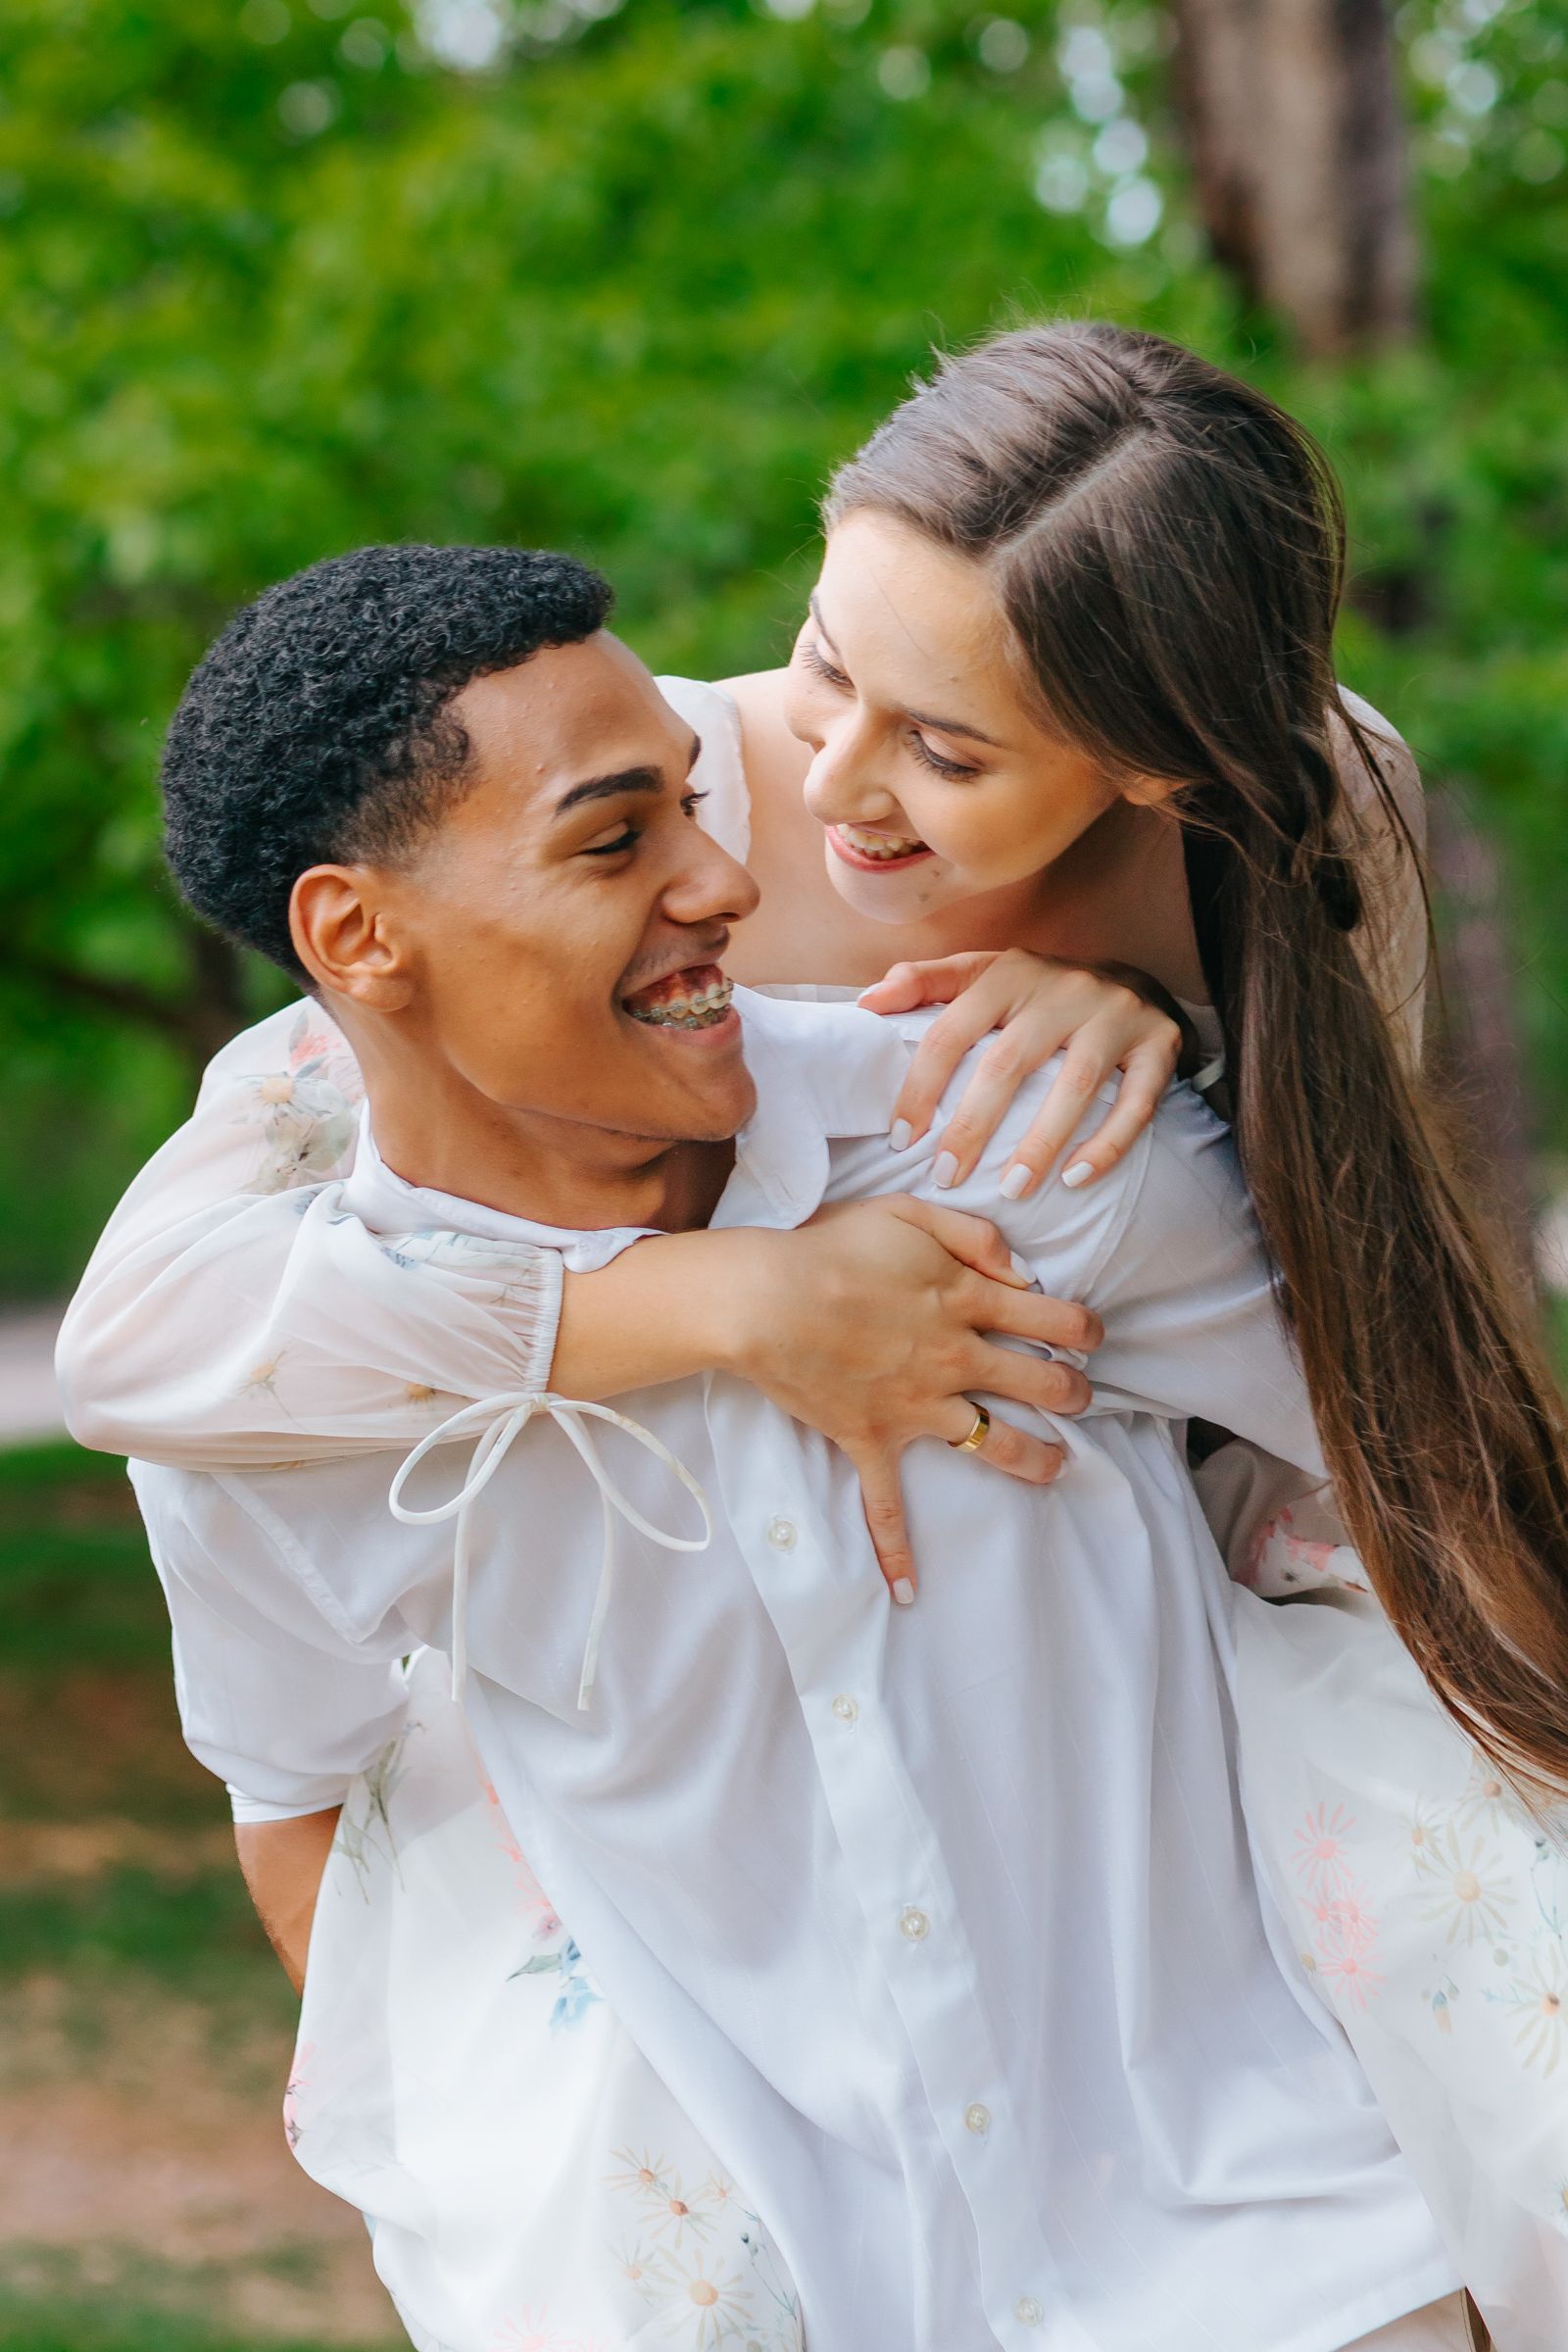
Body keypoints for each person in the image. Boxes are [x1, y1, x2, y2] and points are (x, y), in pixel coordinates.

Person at [121, 539, 1470, 2352]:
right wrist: (502, 2180)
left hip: (1286, 2252)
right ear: (359, 937)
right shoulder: (278, 1422)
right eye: (616, 842)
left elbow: (1440, 1500)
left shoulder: (1011, 1154)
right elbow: (298, 1820)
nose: (732, 881)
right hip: (800, 2293)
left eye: (693, 803)